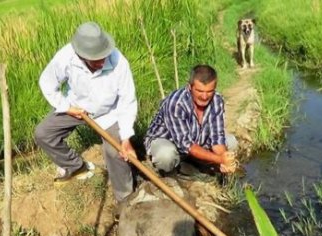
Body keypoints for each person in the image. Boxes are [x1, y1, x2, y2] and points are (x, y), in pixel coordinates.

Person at [34, 21, 138, 204]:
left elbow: (127, 101)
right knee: (43, 134)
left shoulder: (119, 62)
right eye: (96, 59)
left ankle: (125, 201)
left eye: (103, 56)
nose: (102, 61)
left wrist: (126, 138)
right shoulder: (66, 57)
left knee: (116, 153)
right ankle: (76, 167)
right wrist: (66, 107)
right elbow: (47, 82)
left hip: (108, 113)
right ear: (81, 55)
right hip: (77, 108)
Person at [143, 64, 238, 176]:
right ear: (189, 87)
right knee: (166, 156)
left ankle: (200, 166)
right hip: (168, 141)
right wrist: (219, 159)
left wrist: (224, 159)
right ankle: (169, 172)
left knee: (231, 142)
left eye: (209, 91)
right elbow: (187, 145)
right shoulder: (177, 103)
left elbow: (217, 138)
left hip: (196, 141)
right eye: (199, 91)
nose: (204, 96)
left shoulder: (217, 100)